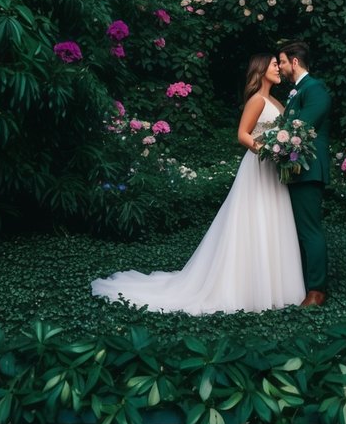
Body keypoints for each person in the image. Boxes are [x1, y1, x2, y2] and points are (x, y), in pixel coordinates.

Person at [90, 54, 305, 314]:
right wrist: (268, 151)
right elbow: (243, 135)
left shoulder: (276, 102)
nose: (277, 69)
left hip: (273, 170)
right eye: (273, 64)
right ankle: (247, 286)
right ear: (260, 70)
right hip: (259, 167)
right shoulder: (257, 100)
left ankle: (275, 286)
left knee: (273, 219)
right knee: (254, 219)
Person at [277, 40, 331, 307]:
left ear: (295, 62)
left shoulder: (315, 88)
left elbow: (301, 127)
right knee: (299, 230)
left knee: (309, 230)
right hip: (296, 169)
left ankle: (317, 291)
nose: (281, 67)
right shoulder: (298, 91)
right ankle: (304, 283)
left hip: (308, 168)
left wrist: (272, 140)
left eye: (283, 62)